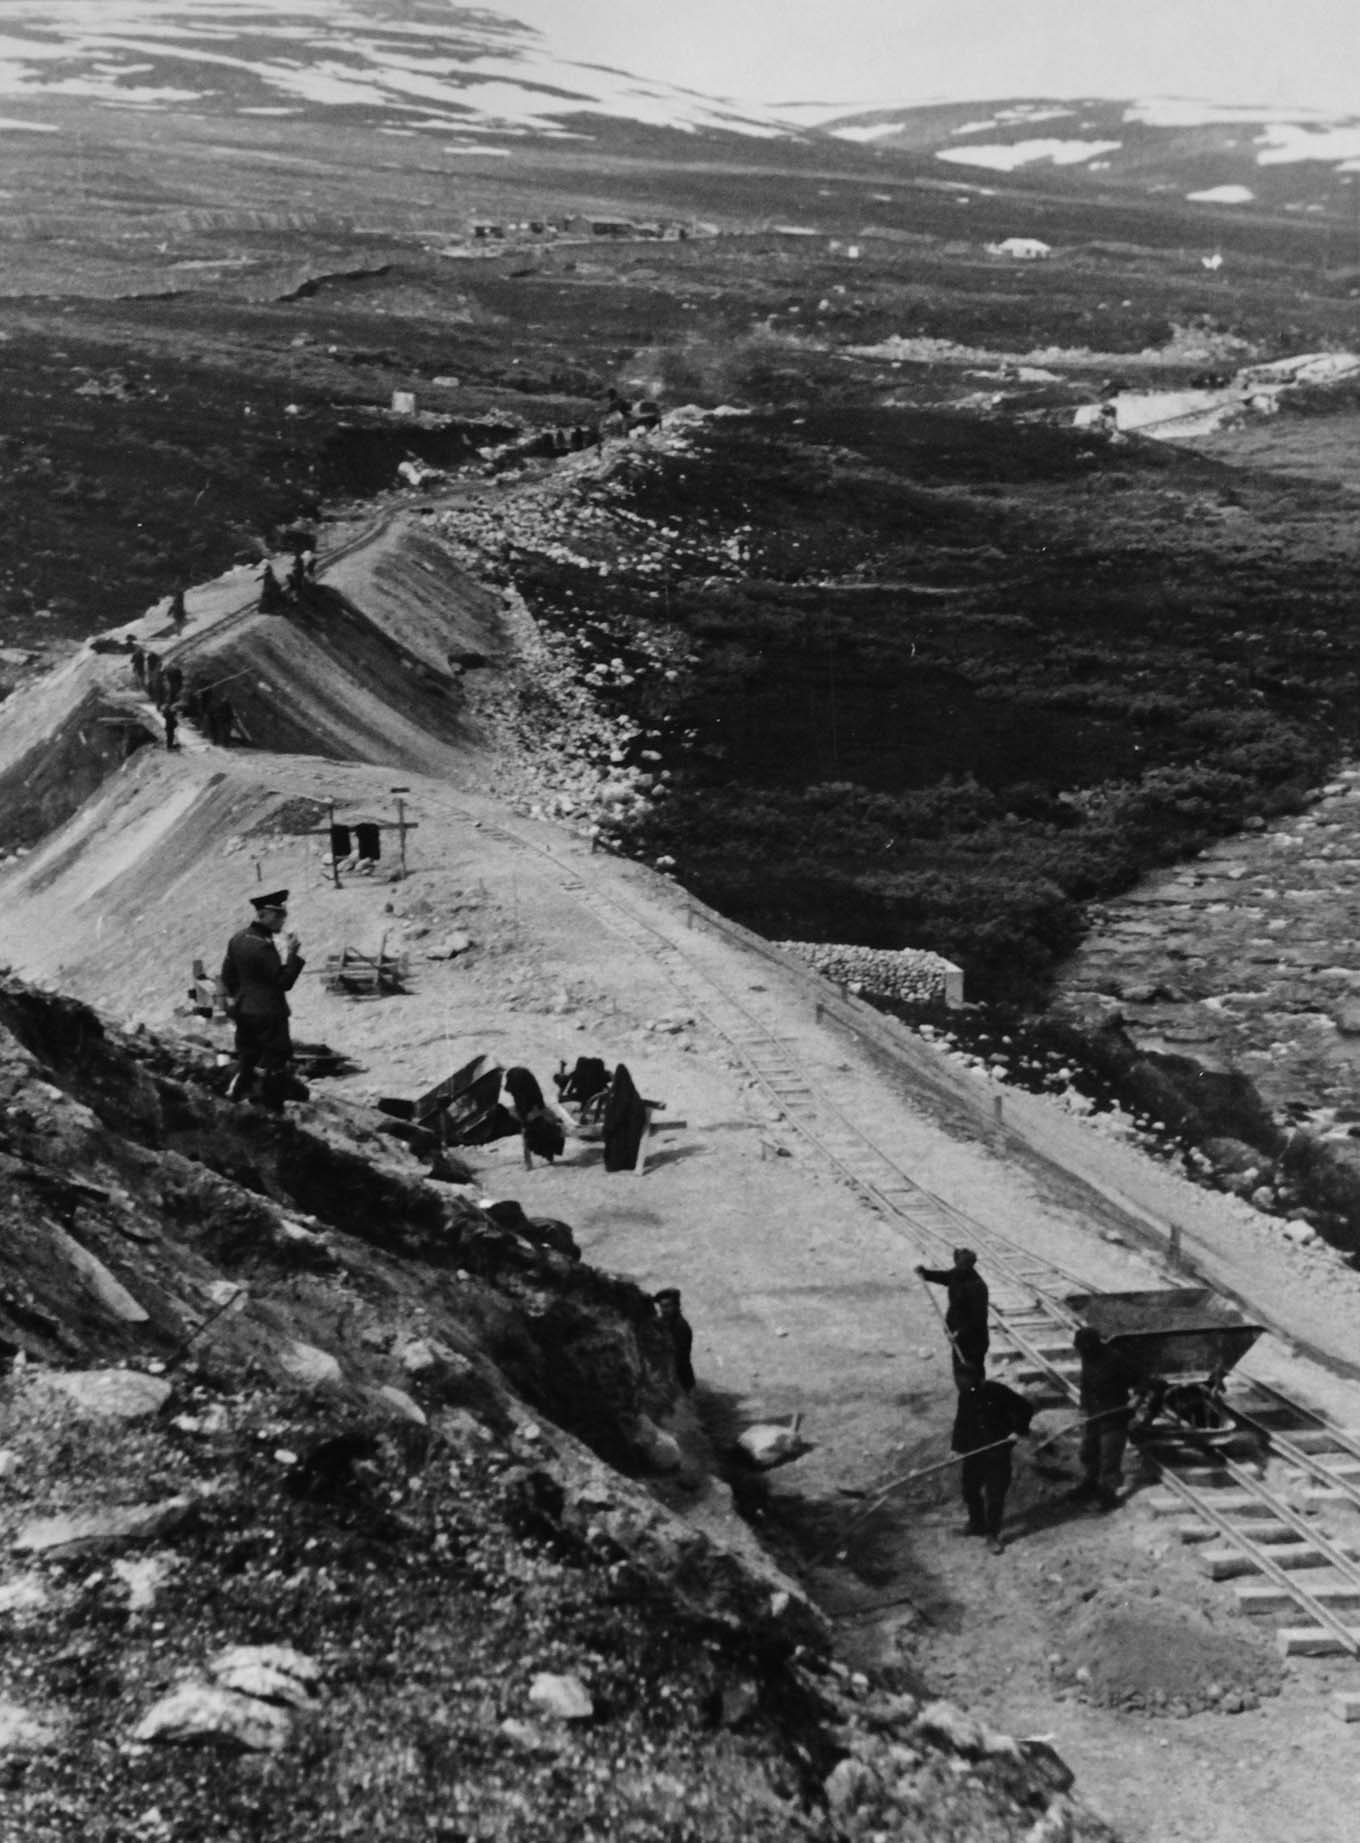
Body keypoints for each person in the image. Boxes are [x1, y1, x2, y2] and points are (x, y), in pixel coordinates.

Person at [220, 889, 306, 1108]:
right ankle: (268, 1106)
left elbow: (228, 976)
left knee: (247, 1058)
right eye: (278, 917)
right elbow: (284, 982)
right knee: (274, 1060)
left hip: (244, 1011)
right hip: (269, 1014)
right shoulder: (263, 946)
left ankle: (238, 1097)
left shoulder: (238, 938)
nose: (282, 922)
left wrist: (240, 999)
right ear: (264, 916)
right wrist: (292, 954)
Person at [952, 1366, 1034, 1554]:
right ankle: (977, 1524)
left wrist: (1017, 1431)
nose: (965, 1385)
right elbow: (961, 1422)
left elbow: (1026, 1408)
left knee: (995, 1495)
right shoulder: (965, 1396)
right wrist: (956, 1448)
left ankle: (992, 1534)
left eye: (968, 1381)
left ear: (980, 1378)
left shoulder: (998, 1391)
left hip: (998, 1452)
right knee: (969, 1489)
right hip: (974, 1452)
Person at [1070, 1326, 1146, 1510]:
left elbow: (1143, 1378)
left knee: (1109, 1458)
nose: (1081, 1353)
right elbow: (1086, 1385)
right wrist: (1082, 1407)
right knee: (1089, 1452)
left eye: (1082, 1349)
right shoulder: (1087, 1358)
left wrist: (1137, 1397)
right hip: (1094, 1415)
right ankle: (1089, 1485)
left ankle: (1107, 1498)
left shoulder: (1115, 1358)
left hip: (1114, 1415)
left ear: (1092, 1346)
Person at [916, 1247, 990, 1385]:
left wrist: (959, 1333)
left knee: (974, 1375)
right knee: (961, 1374)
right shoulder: (957, 1274)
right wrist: (925, 1273)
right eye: (958, 1265)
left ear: (970, 1265)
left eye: (963, 1266)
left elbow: (978, 1319)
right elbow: (944, 1277)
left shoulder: (977, 1286)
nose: (959, 1268)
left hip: (974, 1340)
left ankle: (978, 1401)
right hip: (958, 1337)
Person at [653, 1288, 695, 1392]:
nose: (664, 1310)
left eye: (667, 1306)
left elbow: (679, 1357)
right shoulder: (664, 1322)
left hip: (680, 1380)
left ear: (677, 1306)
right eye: (662, 1307)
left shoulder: (681, 1327)